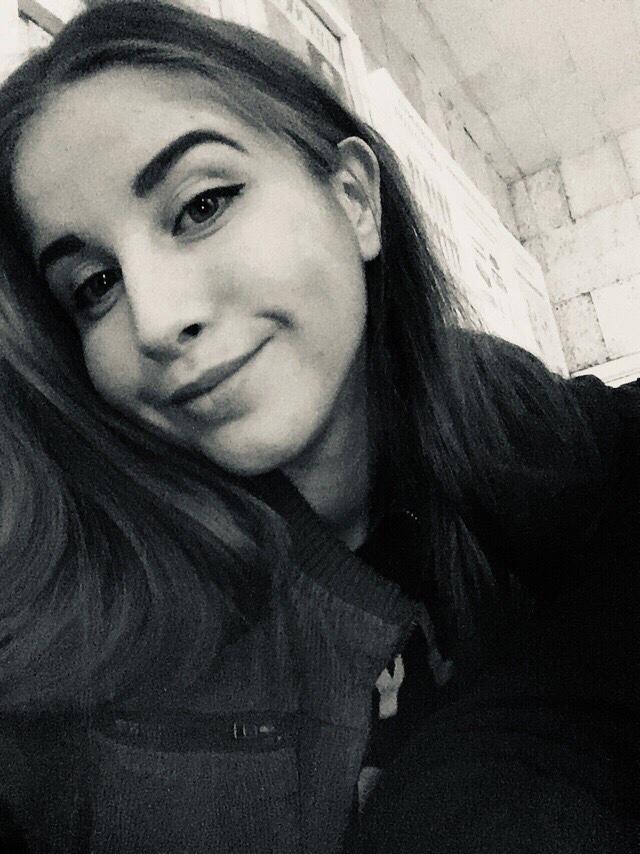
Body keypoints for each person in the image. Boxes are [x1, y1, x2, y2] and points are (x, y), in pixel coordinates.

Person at [0, 1, 637, 852]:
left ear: (355, 198)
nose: (154, 321)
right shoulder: (73, 670)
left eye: (201, 206)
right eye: (93, 286)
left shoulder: (498, 400)